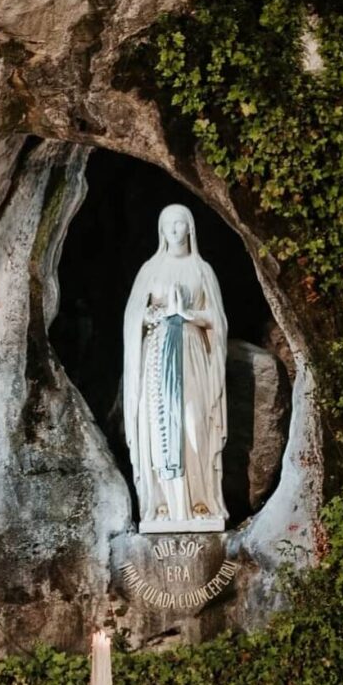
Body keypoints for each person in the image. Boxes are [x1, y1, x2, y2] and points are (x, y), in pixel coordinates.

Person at [123, 204, 228, 532]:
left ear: (190, 228)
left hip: (191, 354)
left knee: (193, 424)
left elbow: (217, 321)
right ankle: (168, 505)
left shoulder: (202, 270)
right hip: (157, 359)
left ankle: (199, 502)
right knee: (159, 429)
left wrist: (188, 315)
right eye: (168, 223)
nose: (174, 228)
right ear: (160, 229)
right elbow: (131, 319)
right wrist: (152, 316)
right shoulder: (150, 270)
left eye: (180, 222)